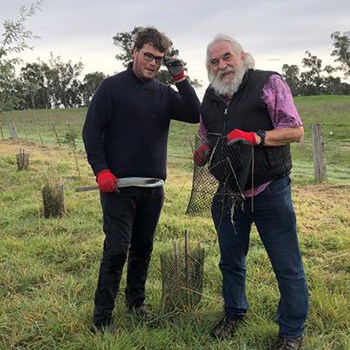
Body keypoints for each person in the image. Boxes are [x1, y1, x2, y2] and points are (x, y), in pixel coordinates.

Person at [194, 34, 309, 350]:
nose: (222, 65)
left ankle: (290, 332)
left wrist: (257, 137)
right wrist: (203, 149)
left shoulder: (269, 83)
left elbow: (295, 130)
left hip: (270, 188)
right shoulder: (212, 95)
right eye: (214, 62)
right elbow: (206, 133)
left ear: (242, 57)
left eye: (227, 57)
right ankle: (234, 313)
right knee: (230, 260)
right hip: (229, 191)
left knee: (286, 264)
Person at [82, 26, 200, 333]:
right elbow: (91, 131)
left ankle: (136, 304)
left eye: (159, 59)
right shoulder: (111, 88)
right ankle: (102, 318)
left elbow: (193, 113)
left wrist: (181, 78)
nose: (152, 63)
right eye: (148, 56)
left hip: (152, 189)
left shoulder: (163, 93)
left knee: (143, 248)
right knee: (117, 249)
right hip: (117, 187)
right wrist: (101, 170)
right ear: (134, 52)